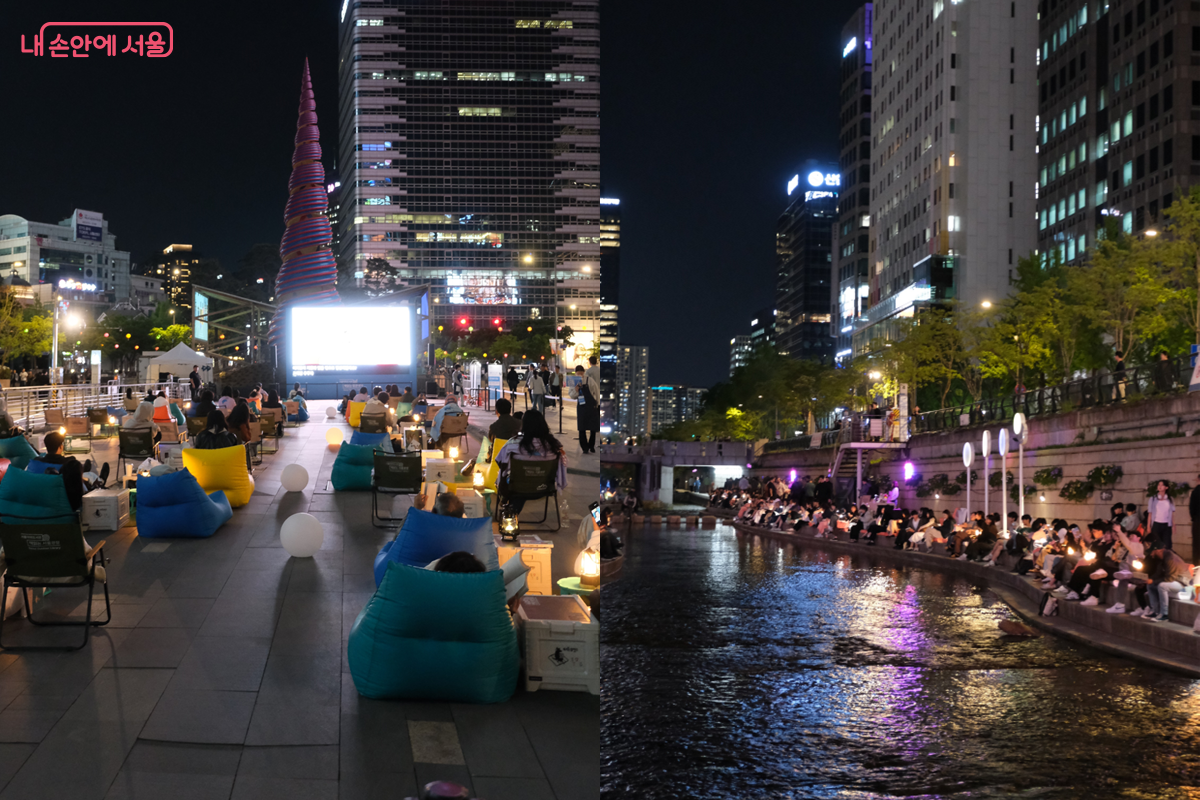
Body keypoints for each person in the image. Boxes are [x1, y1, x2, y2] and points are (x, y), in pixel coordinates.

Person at [495, 409, 567, 514]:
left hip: (517, 487)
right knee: (526, 483)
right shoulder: (554, 447)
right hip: (544, 487)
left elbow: (500, 461)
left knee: (513, 480)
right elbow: (562, 466)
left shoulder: (513, 444)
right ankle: (511, 510)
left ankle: (510, 509)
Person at [29, 431, 108, 511]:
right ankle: (101, 481)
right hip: (66, 489)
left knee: (86, 474)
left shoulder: (36, 461)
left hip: (42, 495)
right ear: (60, 447)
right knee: (90, 475)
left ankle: (85, 470)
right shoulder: (69, 462)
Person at [571, 363, 601, 454]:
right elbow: (572, 395)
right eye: (578, 373)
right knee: (581, 427)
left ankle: (591, 446)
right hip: (581, 407)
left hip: (591, 407)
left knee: (593, 428)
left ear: (584, 372)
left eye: (581, 373)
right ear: (575, 373)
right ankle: (584, 447)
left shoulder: (590, 380)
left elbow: (596, 392)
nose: (580, 375)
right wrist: (576, 391)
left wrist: (598, 404)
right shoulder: (573, 382)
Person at [1148, 479, 1175, 551]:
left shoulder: (1170, 499)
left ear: (1166, 487)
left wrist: (1173, 525)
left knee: (1167, 545)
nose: (1159, 486)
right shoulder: (1153, 499)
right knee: (1157, 544)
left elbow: (1172, 513)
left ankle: (1166, 560)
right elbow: (1150, 513)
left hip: (1166, 525)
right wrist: (1148, 526)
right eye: (1158, 485)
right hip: (1156, 524)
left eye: (1162, 485)